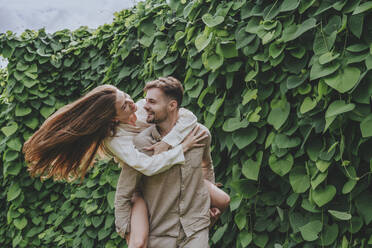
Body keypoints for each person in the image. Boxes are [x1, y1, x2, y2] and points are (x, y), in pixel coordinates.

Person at [114, 77, 230, 248]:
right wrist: (126, 232)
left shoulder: (200, 134)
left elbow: (206, 166)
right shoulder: (140, 144)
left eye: (152, 102)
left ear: (172, 105)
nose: (144, 107)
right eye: (146, 100)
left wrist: (209, 204)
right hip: (160, 233)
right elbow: (125, 192)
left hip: (195, 229)